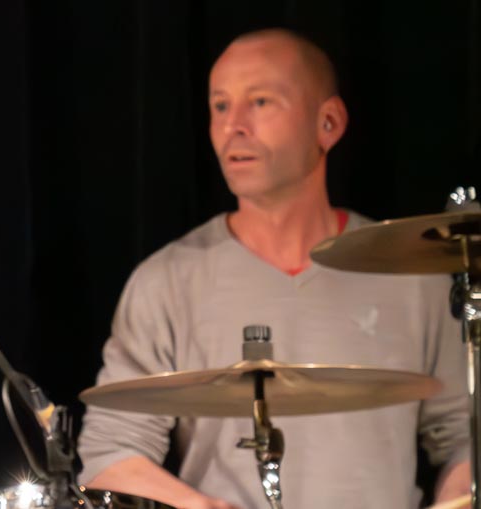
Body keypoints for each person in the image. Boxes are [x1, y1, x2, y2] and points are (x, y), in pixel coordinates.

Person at [78, 28, 471, 508]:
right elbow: (111, 455)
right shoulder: (165, 281)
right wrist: (204, 508)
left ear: (328, 123)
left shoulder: (412, 276)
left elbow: (465, 435)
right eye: (220, 106)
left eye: (260, 102)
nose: (233, 126)